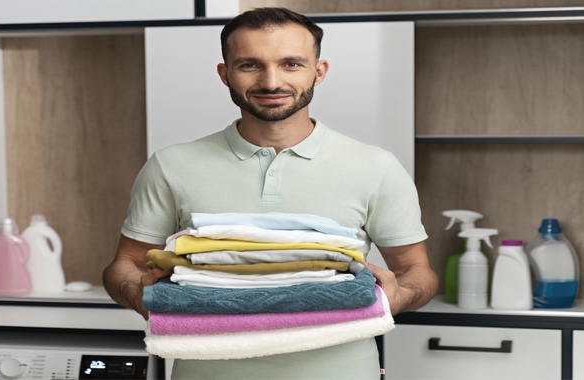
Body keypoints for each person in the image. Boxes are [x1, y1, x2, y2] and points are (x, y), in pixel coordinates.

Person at [103, 7, 438, 380]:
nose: (271, 81)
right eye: (249, 65)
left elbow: (416, 270)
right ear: (224, 73)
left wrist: (397, 295)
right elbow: (125, 263)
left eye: (291, 64)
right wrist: (142, 295)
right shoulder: (171, 165)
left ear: (319, 71)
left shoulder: (376, 167)